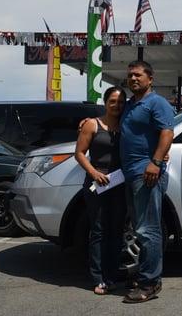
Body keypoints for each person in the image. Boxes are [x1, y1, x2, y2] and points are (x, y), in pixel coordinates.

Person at [121, 60, 175, 304]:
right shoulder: (131, 104)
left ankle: (150, 283)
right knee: (138, 229)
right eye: (130, 75)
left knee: (148, 229)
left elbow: (167, 132)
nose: (133, 79)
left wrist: (155, 162)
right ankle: (142, 276)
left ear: (150, 79)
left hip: (147, 173)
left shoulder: (157, 102)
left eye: (138, 75)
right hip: (130, 174)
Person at [74, 86, 126, 295]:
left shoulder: (126, 125)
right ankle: (98, 277)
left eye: (120, 102)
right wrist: (94, 173)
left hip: (120, 183)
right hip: (97, 183)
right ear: (105, 103)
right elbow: (79, 153)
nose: (116, 105)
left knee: (117, 231)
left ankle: (112, 276)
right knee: (98, 230)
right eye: (112, 101)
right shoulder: (92, 124)